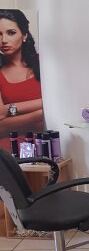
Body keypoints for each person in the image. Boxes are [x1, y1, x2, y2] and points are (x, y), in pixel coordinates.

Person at [0, 10, 44, 150]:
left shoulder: (44, 63)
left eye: (11, 33)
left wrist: (9, 109)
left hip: (49, 144)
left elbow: (62, 101)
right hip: (9, 149)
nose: (3, 40)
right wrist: (40, 113)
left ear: (24, 35)